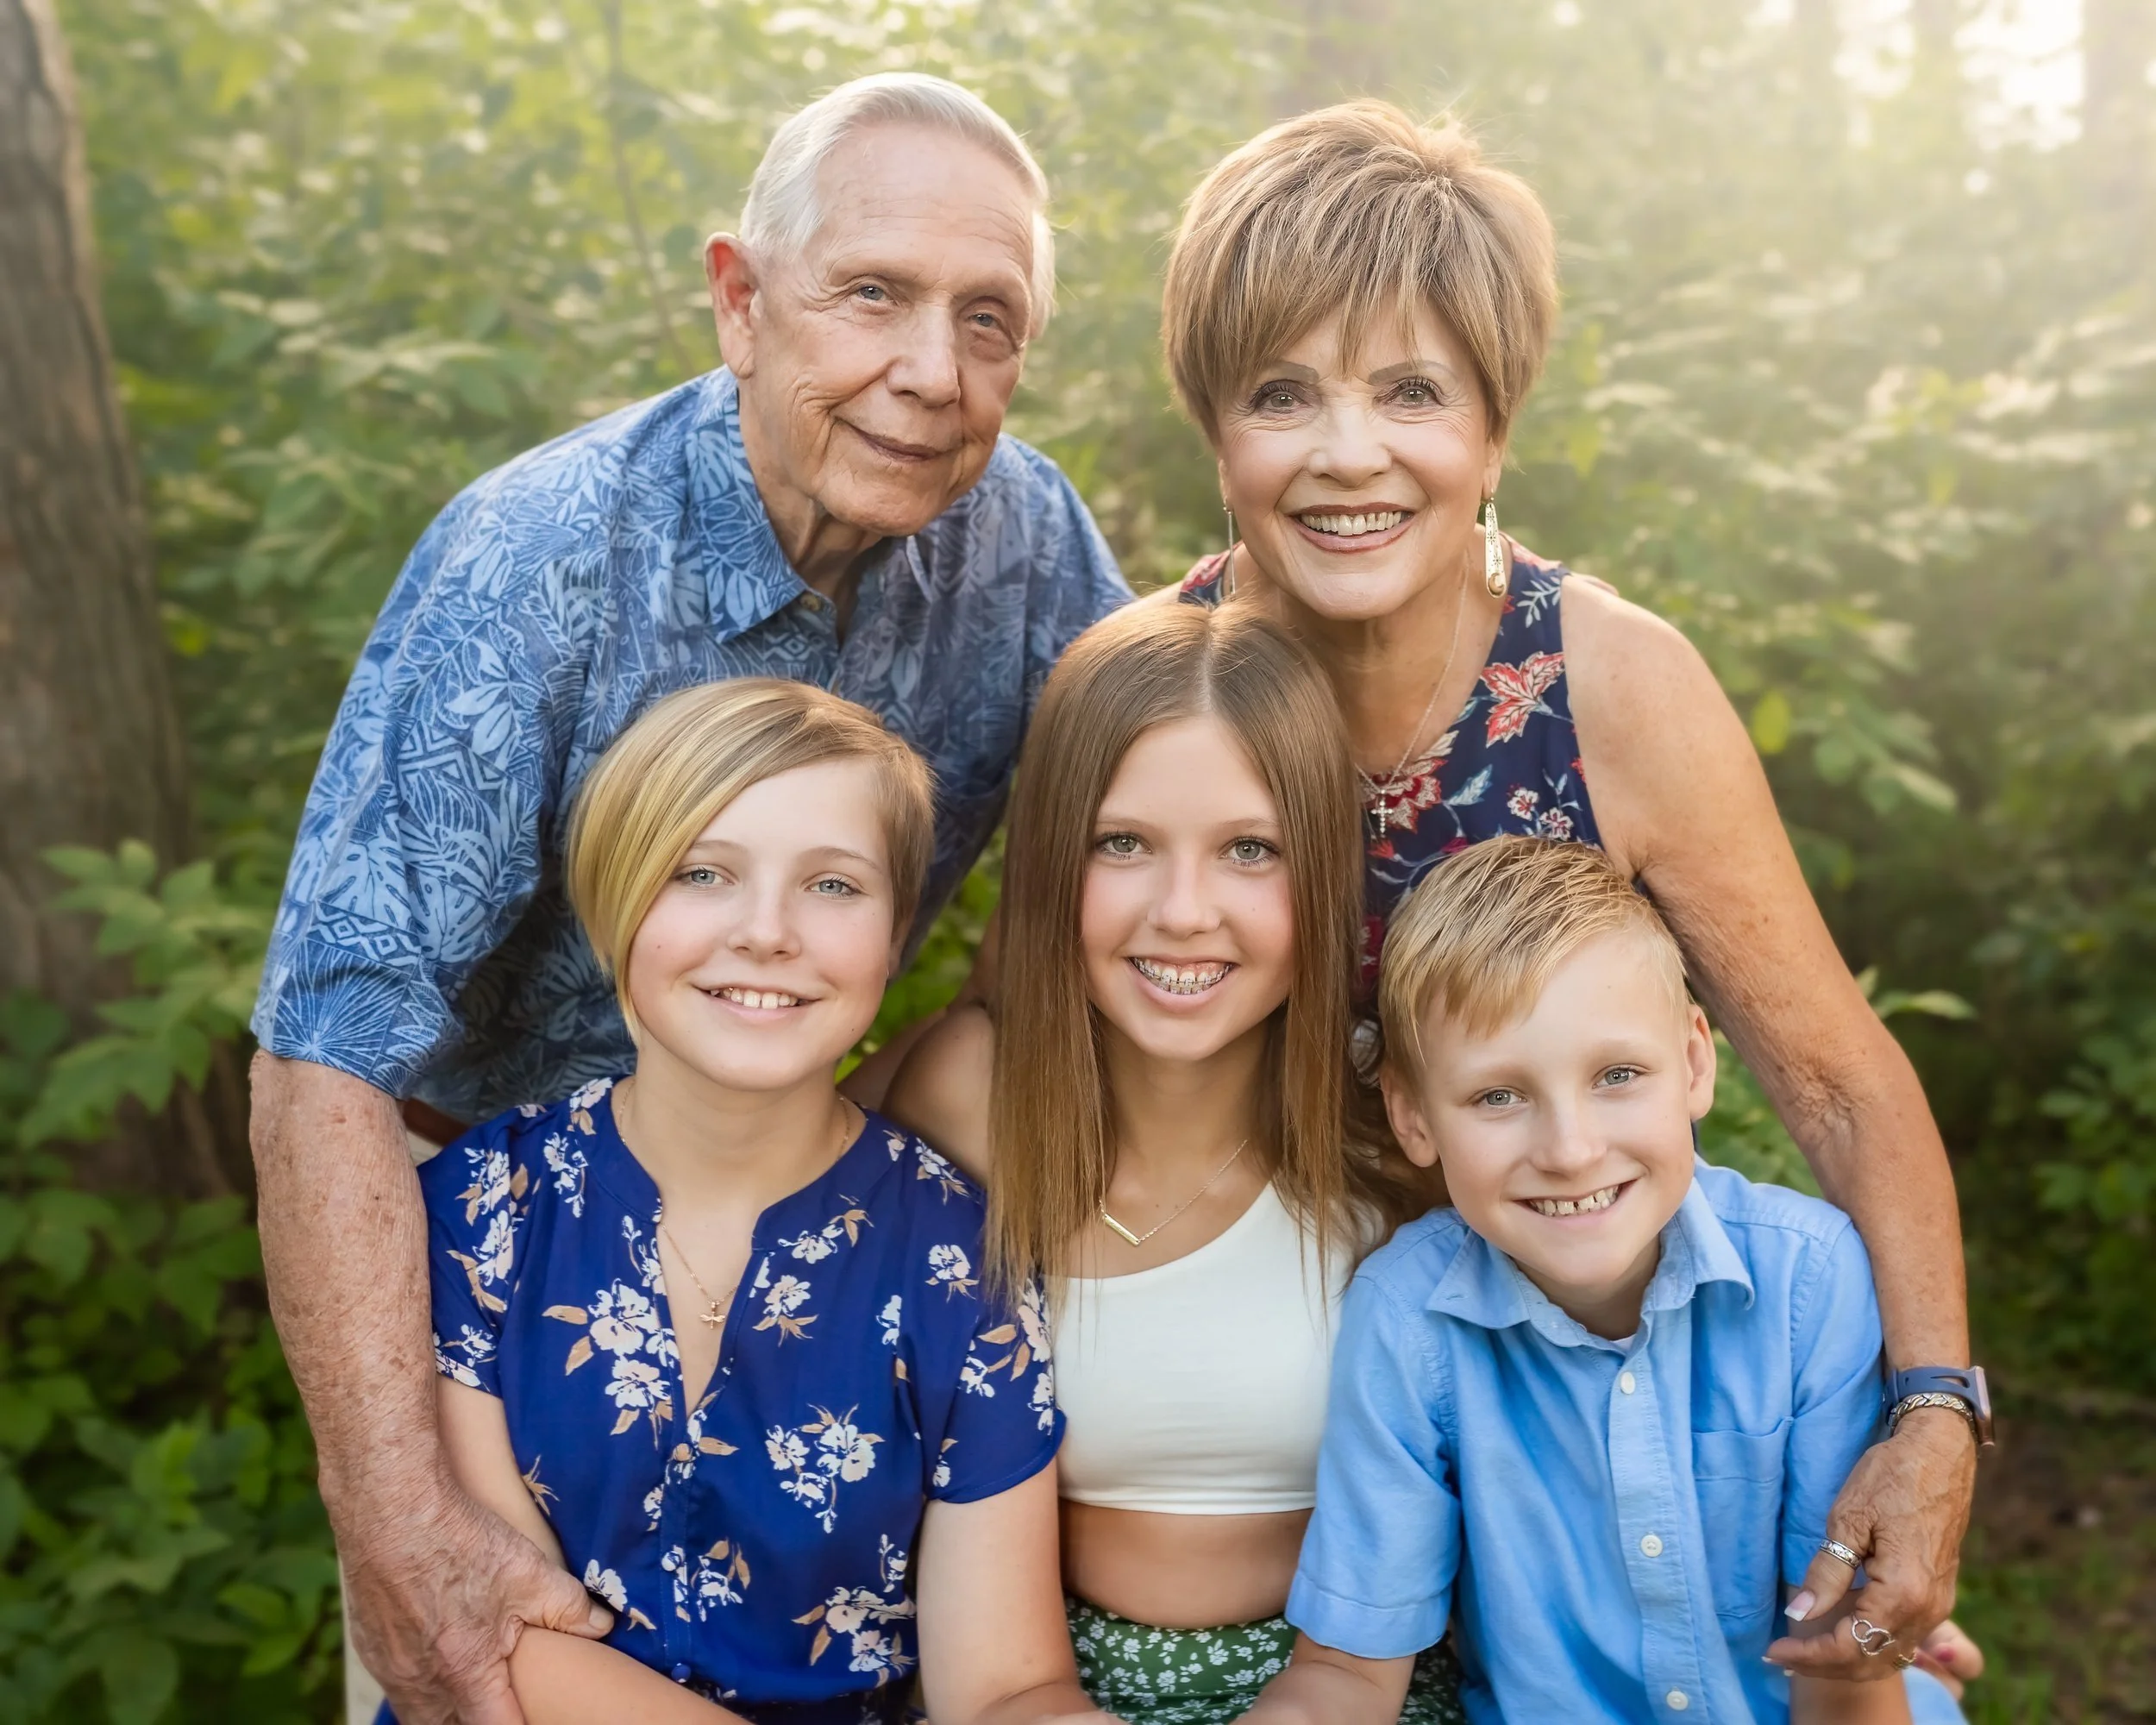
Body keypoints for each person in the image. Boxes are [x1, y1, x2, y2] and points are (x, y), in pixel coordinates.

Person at [248, 73, 1130, 1725]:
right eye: (871, 295)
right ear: (738, 301)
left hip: (820, 1261)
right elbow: (324, 1056)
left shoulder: (1025, 545)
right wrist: (398, 1517)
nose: (932, 372)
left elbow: (1184, 786)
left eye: (989, 320)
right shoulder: (539, 563)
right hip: (492, 1326)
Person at [1154, 101, 1984, 1680]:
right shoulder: (1155, 694)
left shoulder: (1609, 685)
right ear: (1214, 424)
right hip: (1298, 1388)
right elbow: (1039, 1054)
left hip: (1592, 1363)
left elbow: (1833, 1075)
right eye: (1283, 393)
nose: (1348, 453)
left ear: (1496, 424)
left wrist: (1934, 1419)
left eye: (1412, 391)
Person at [407, 677, 1098, 1725]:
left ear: (895, 932)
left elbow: (1003, 1685)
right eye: (702, 872)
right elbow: (503, 1638)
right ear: (612, 904)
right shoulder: (479, 1214)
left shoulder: (956, 1257)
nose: (767, 931)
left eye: (832, 885)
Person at [886, 601, 1460, 1725]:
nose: (1184, 913)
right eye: (1124, 843)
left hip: (1358, 1690)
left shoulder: (1395, 1134)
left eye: (1251, 850)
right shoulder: (969, 1100)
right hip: (1029, 1686)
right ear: (1054, 861)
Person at [1246, 836, 1964, 1725]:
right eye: (1497, 1096)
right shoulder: (1405, 1319)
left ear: (1695, 1064)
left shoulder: (1809, 1281)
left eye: (1617, 1075)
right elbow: (1350, 1676)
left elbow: (1841, 1668)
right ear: (1412, 1115)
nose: (1570, 1148)